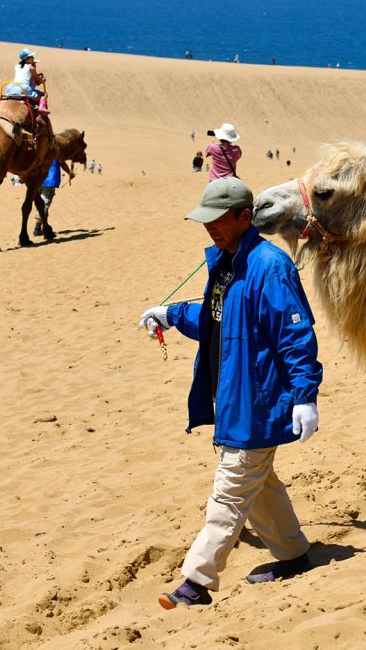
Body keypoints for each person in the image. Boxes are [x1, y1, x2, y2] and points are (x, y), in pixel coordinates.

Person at [138, 177, 322, 610]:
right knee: (258, 487)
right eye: (206, 221)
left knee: (230, 491)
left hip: (257, 402)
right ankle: (294, 556)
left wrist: (305, 396)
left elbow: (295, 335)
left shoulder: (269, 266)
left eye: (219, 220)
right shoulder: (226, 261)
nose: (210, 228)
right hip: (233, 397)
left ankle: (196, 583)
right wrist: (172, 314)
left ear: (244, 217)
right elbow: (218, 319)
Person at [33, 159, 73, 236]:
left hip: (37, 178)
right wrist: (69, 172)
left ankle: (45, 227)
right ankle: (37, 228)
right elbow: (62, 163)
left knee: (41, 203)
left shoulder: (39, 148)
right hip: (49, 180)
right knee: (44, 203)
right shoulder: (55, 149)